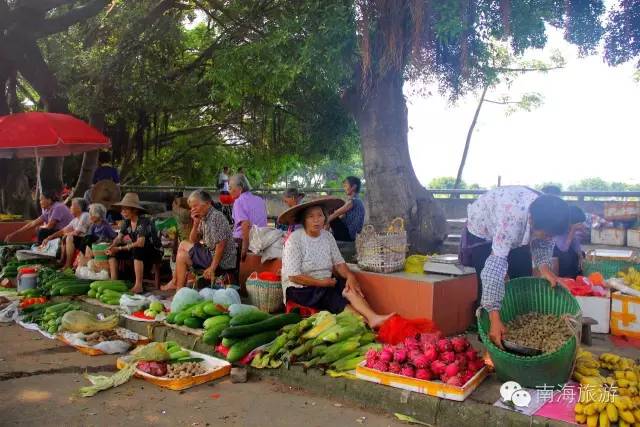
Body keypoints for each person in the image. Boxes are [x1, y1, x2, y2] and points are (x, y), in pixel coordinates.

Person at [462, 186, 570, 349]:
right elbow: (493, 272)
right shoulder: (512, 221)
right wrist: (494, 316)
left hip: (513, 222)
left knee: (522, 272)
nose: (549, 238)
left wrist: (545, 270)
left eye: (551, 235)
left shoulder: (548, 211)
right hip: (483, 228)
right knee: (487, 284)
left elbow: (544, 241)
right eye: (547, 234)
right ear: (532, 222)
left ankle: (519, 319)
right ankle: (490, 330)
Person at [280, 197, 394, 328]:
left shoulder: (327, 237)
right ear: (304, 220)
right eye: (311, 216)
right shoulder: (295, 239)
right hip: (300, 288)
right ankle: (365, 323)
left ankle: (373, 317)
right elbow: (294, 276)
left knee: (348, 286)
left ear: (325, 217)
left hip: (325, 281)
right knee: (330, 294)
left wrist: (351, 277)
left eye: (320, 215)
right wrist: (322, 283)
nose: (316, 220)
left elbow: (339, 264)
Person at [161, 190, 237, 291]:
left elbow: (221, 245)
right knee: (181, 256)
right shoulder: (204, 218)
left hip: (222, 262)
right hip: (211, 255)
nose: (193, 210)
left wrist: (212, 268)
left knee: (183, 243)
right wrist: (196, 223)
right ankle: (179, 291)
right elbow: (193, 240)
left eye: (195, 206)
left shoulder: (216, 216)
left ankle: (175, 282)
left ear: (207, 203)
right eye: (191, 207)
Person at [106, 193, 161, 294]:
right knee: (113, 252)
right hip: (138, 250)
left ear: (134, 210)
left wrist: (119, 249)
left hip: (153, 251)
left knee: (137, 249)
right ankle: (114, 282)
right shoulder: (126, 222)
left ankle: (138, 285)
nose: (123, 212)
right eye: (122, 209)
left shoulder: (144, 221)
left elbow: (140, 243)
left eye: (126, 209)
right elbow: (119, 238)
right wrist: (112, 246)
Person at [4, 190, 74, 244]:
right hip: (57, 232)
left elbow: (49, 226)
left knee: (41, 231)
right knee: (40, 229)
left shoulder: (58, 207)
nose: (40, 202)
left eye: (41, 199)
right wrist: (13, 234)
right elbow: (32, 224)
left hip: (67, 232)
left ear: (49, 200)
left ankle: (41, 250)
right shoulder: (47, 209)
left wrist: (39, 227)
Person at [41, 198, 91, 268]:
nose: (70, 208)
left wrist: (65, 234)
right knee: (65, 236)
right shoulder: (75, 219)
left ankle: (68, 264)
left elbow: (77, 233)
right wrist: (49, 237)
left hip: (87, 240)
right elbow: (63, 231)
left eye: (72, 206)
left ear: (79, 208)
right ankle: (61, 261)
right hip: (80, 240)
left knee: (69, 237)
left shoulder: (85, 215)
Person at [229, 174, 267, 261]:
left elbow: (245, 224)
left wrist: (244, 249)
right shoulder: (260, 200)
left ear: (240, 188)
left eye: (230, 188)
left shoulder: (238, 201)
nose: (229, 191)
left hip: (243, 242)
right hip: (260, 240)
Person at [327, 176, 365, 242]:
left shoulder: (354, 201)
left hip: (349, 236)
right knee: (332, 216)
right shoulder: (357, 200)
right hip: (349, 235)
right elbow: (342, 217)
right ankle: (326, 235)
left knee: (331, 213)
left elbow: (336, 214)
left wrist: (322, 223)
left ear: (354, 187)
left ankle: (321, 235)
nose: (344, 188)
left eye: (346, 186)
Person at [554, 206, 588, 278]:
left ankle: (576, 277)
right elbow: (563, 249)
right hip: (559, 259)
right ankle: (568, 278)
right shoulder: (559, 230)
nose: (580, 224)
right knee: (567, 256)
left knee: (581, 253)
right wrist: (572, 230)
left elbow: (576, 245)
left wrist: (581, 257)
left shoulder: (570, 229)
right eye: (578, 222)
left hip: (567, 260)